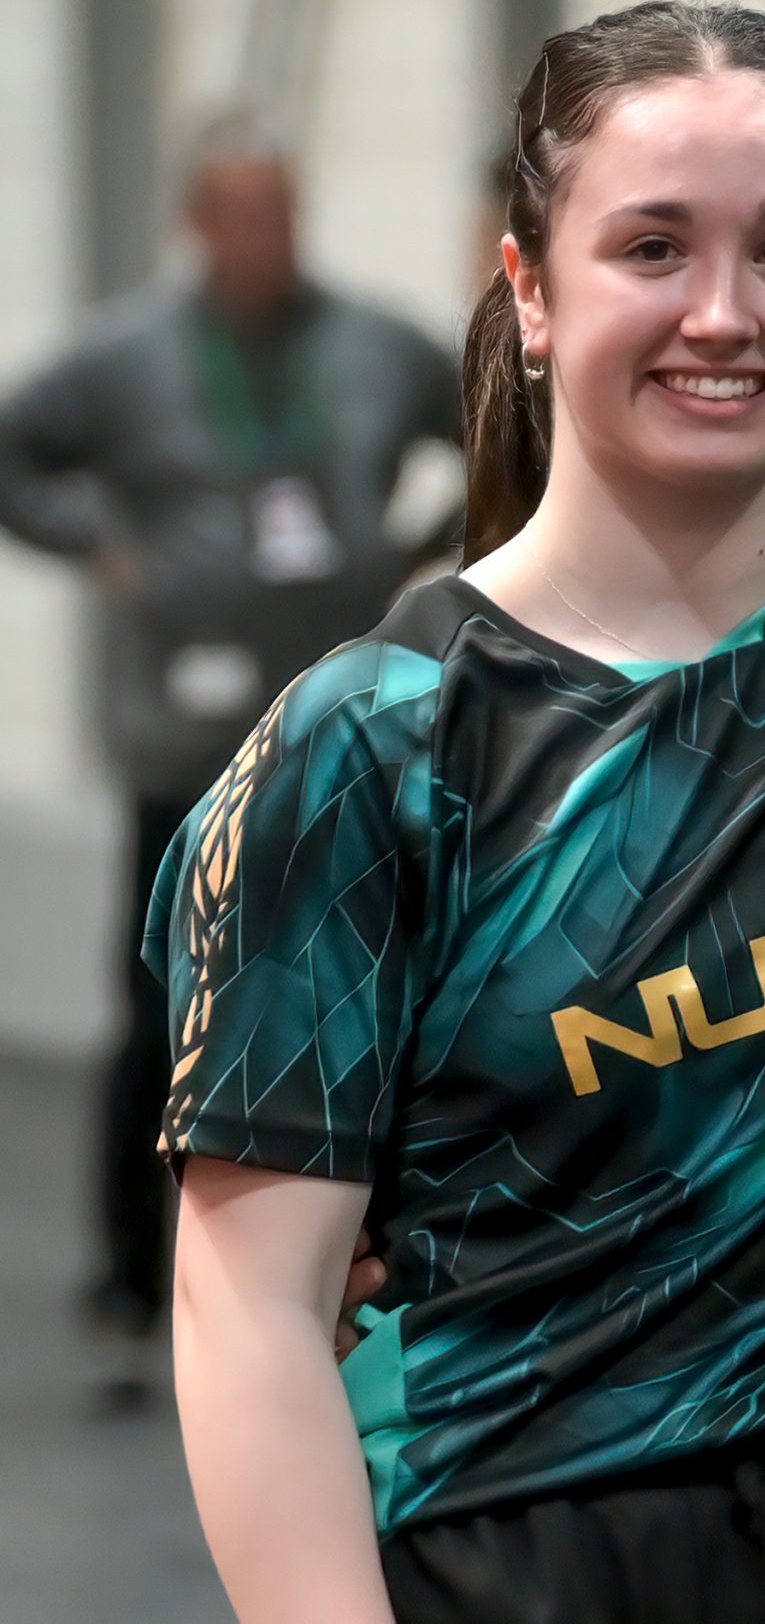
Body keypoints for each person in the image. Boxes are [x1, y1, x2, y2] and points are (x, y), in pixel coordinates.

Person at [156, 2, 765, 1624]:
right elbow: (250, 1311)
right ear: (531, 289)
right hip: (519, 1552)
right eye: (652, 247)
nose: (723, 311)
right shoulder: (373, 740)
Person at [0, 107, 459, 1394]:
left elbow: (494, 417)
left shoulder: (373, 343)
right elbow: (13, 453)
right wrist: (102, 548)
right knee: (163, 1005)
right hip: (189, 738)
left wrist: (417, 548)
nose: (268, 236)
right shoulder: (124, 356)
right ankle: (130, 1282)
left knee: (375, 996)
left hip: (349, 725)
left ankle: (368, 1276)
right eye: (244, 213)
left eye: (284, 210)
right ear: (198, 221)